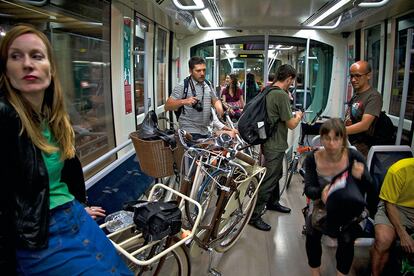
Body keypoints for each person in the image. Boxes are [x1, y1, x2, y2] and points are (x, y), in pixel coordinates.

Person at [0, 25, 132, 275]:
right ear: (6, 71)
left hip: (75, 216)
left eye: (37, 56)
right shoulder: (6, 118)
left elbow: (57, 179)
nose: (28, 64)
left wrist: (77, 204)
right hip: (40, 237)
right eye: (16, 56)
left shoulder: (53, 119)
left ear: (50, 68)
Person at [303, 118, 375, 276]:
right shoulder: (312, 158)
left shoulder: (354, 156)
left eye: (336, 138)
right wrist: (321, 192)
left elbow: (371, 188)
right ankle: (315, 271)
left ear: (344, 139)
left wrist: (362, 176)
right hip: (323, 206)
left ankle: (341, 273)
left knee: (347, 237)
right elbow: (309, 189)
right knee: (311, 230)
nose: (331, 144)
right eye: (327, 138)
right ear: (321, 139)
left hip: (348, 207)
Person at [248, 64, 303, 231]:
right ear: (288, 79)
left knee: (277, 173)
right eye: (291, 81)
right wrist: (299, 115)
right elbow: (292, 124)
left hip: (267, 141)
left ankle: (273, 202)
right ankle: (254, 215)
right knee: (270, 178)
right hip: (275, 143)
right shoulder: (281, 95)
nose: (291, 84)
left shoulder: (268, 90)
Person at [371, 157, 414, 276]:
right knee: (383, 240)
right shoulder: (399, 170)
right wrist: (403, 234)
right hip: (395, 206)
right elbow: (389, 204)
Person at [165, 56, 223, 140]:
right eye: (198, 71)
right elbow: (167, 106)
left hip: (205, 130)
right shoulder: (182, 86)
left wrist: (219, 107)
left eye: (204, 70)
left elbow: (215, 100)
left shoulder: (208, 84)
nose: (202, 73)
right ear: (190, 71)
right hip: (189, 131)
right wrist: (184, 101)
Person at [345, 60, 382, 157]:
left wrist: (340, 130)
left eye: (358, 76)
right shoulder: (356, 95)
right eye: (351, 76)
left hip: (363, 148)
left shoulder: (373, 96)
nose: (353, 80)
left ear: (368, 76)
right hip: (352, 143)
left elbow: (364, 125)